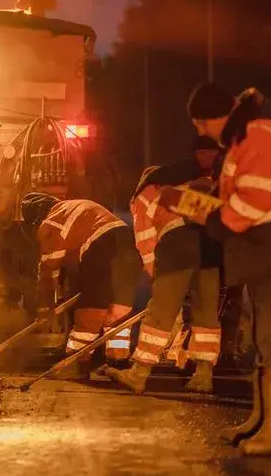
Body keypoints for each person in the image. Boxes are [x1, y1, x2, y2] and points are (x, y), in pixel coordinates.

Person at [160, 84, 271, 455]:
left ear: (214, 117)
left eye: (201, 124)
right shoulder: (243, 137)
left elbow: (253, 203)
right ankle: (262, 422)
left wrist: (212, 219)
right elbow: (236, 198)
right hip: (269, 253)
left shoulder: (260, 135)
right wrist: (196, 204)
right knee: (266, 339)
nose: (201, 132)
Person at [106, 159, 221, 394]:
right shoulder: (187, 185)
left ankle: (138, 374)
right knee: (206, 311)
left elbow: (145, 239)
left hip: (176, 245)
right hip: (209, 245)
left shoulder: (145, 194)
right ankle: (204, 375)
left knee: (160, 312)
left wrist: (155, 274)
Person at [20, 193, 142, 379]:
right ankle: (118, 364)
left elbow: (48, 272)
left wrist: (45, 309)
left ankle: (75, 364)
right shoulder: (75, 206)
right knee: (119, 312)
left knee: (91, 309)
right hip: (128, 243)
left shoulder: (51, 222)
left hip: (101, 248)